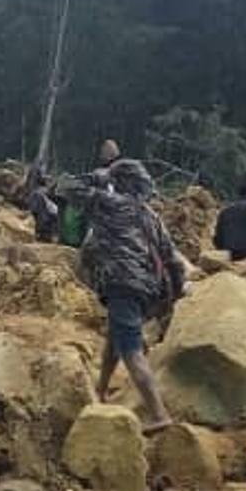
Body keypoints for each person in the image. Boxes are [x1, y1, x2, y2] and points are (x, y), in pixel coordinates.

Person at [78, 159, 182, 429]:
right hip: (147, 288)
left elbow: (65, 188)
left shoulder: (111, 204)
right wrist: (175, 295)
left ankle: (159, 414)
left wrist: (97, 178)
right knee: (116, 338)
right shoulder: (151, 216)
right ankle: (100, 390)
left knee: (132, 351)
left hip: (122, 284)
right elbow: (173, 260)